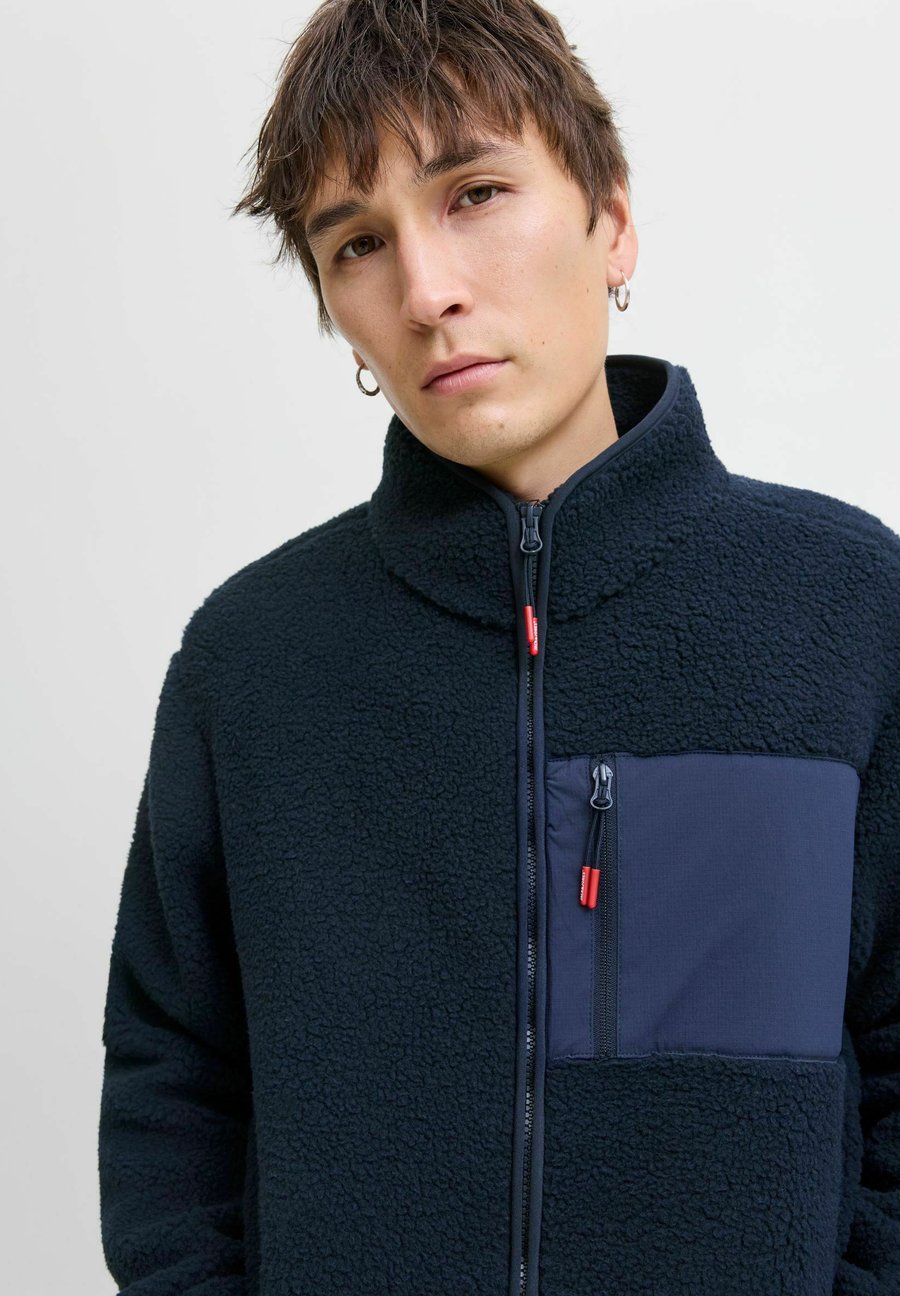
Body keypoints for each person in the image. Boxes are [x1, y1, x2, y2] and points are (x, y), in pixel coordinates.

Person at [97, 2, 900, 1293]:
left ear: (611, 218)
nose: (427, 292)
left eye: (473, 193)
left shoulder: (848, 609)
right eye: (358, 243)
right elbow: (171, 1084)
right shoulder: (249, 664)